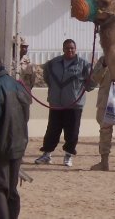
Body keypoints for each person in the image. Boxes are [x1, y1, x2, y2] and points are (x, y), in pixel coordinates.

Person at [34, 39, 95, 167]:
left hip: (74, 105)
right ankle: (47, 154)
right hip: (56, 103)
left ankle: (68, 155)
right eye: (67, 48)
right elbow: (47, 77)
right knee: (52, 130)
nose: (70, 50)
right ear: (63, 49)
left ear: (76, 49)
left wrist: (78, 91)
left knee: (72, 132)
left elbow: (92, 83)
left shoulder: (84, 65)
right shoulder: (53, 63)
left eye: (72, 48)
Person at [0, 56, 30, 219]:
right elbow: (26, 114)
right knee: (12, 189)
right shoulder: (16, 85)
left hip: (1, 147)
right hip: (18, 144)